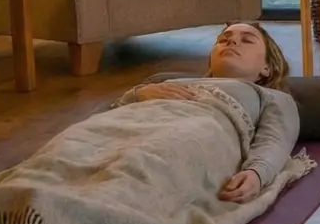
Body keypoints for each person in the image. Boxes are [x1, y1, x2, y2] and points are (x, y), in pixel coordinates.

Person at [119, 21, 299, 203]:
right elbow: (114, 112)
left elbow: (276, 138)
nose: (232, 42)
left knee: (133, 171)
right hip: (133, 126)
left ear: (266, 68)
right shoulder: (169, 82)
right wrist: (139, 93)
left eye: (247, 40)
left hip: (184, 138)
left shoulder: (270, 96)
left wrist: (257, 173)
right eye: (223, 40)